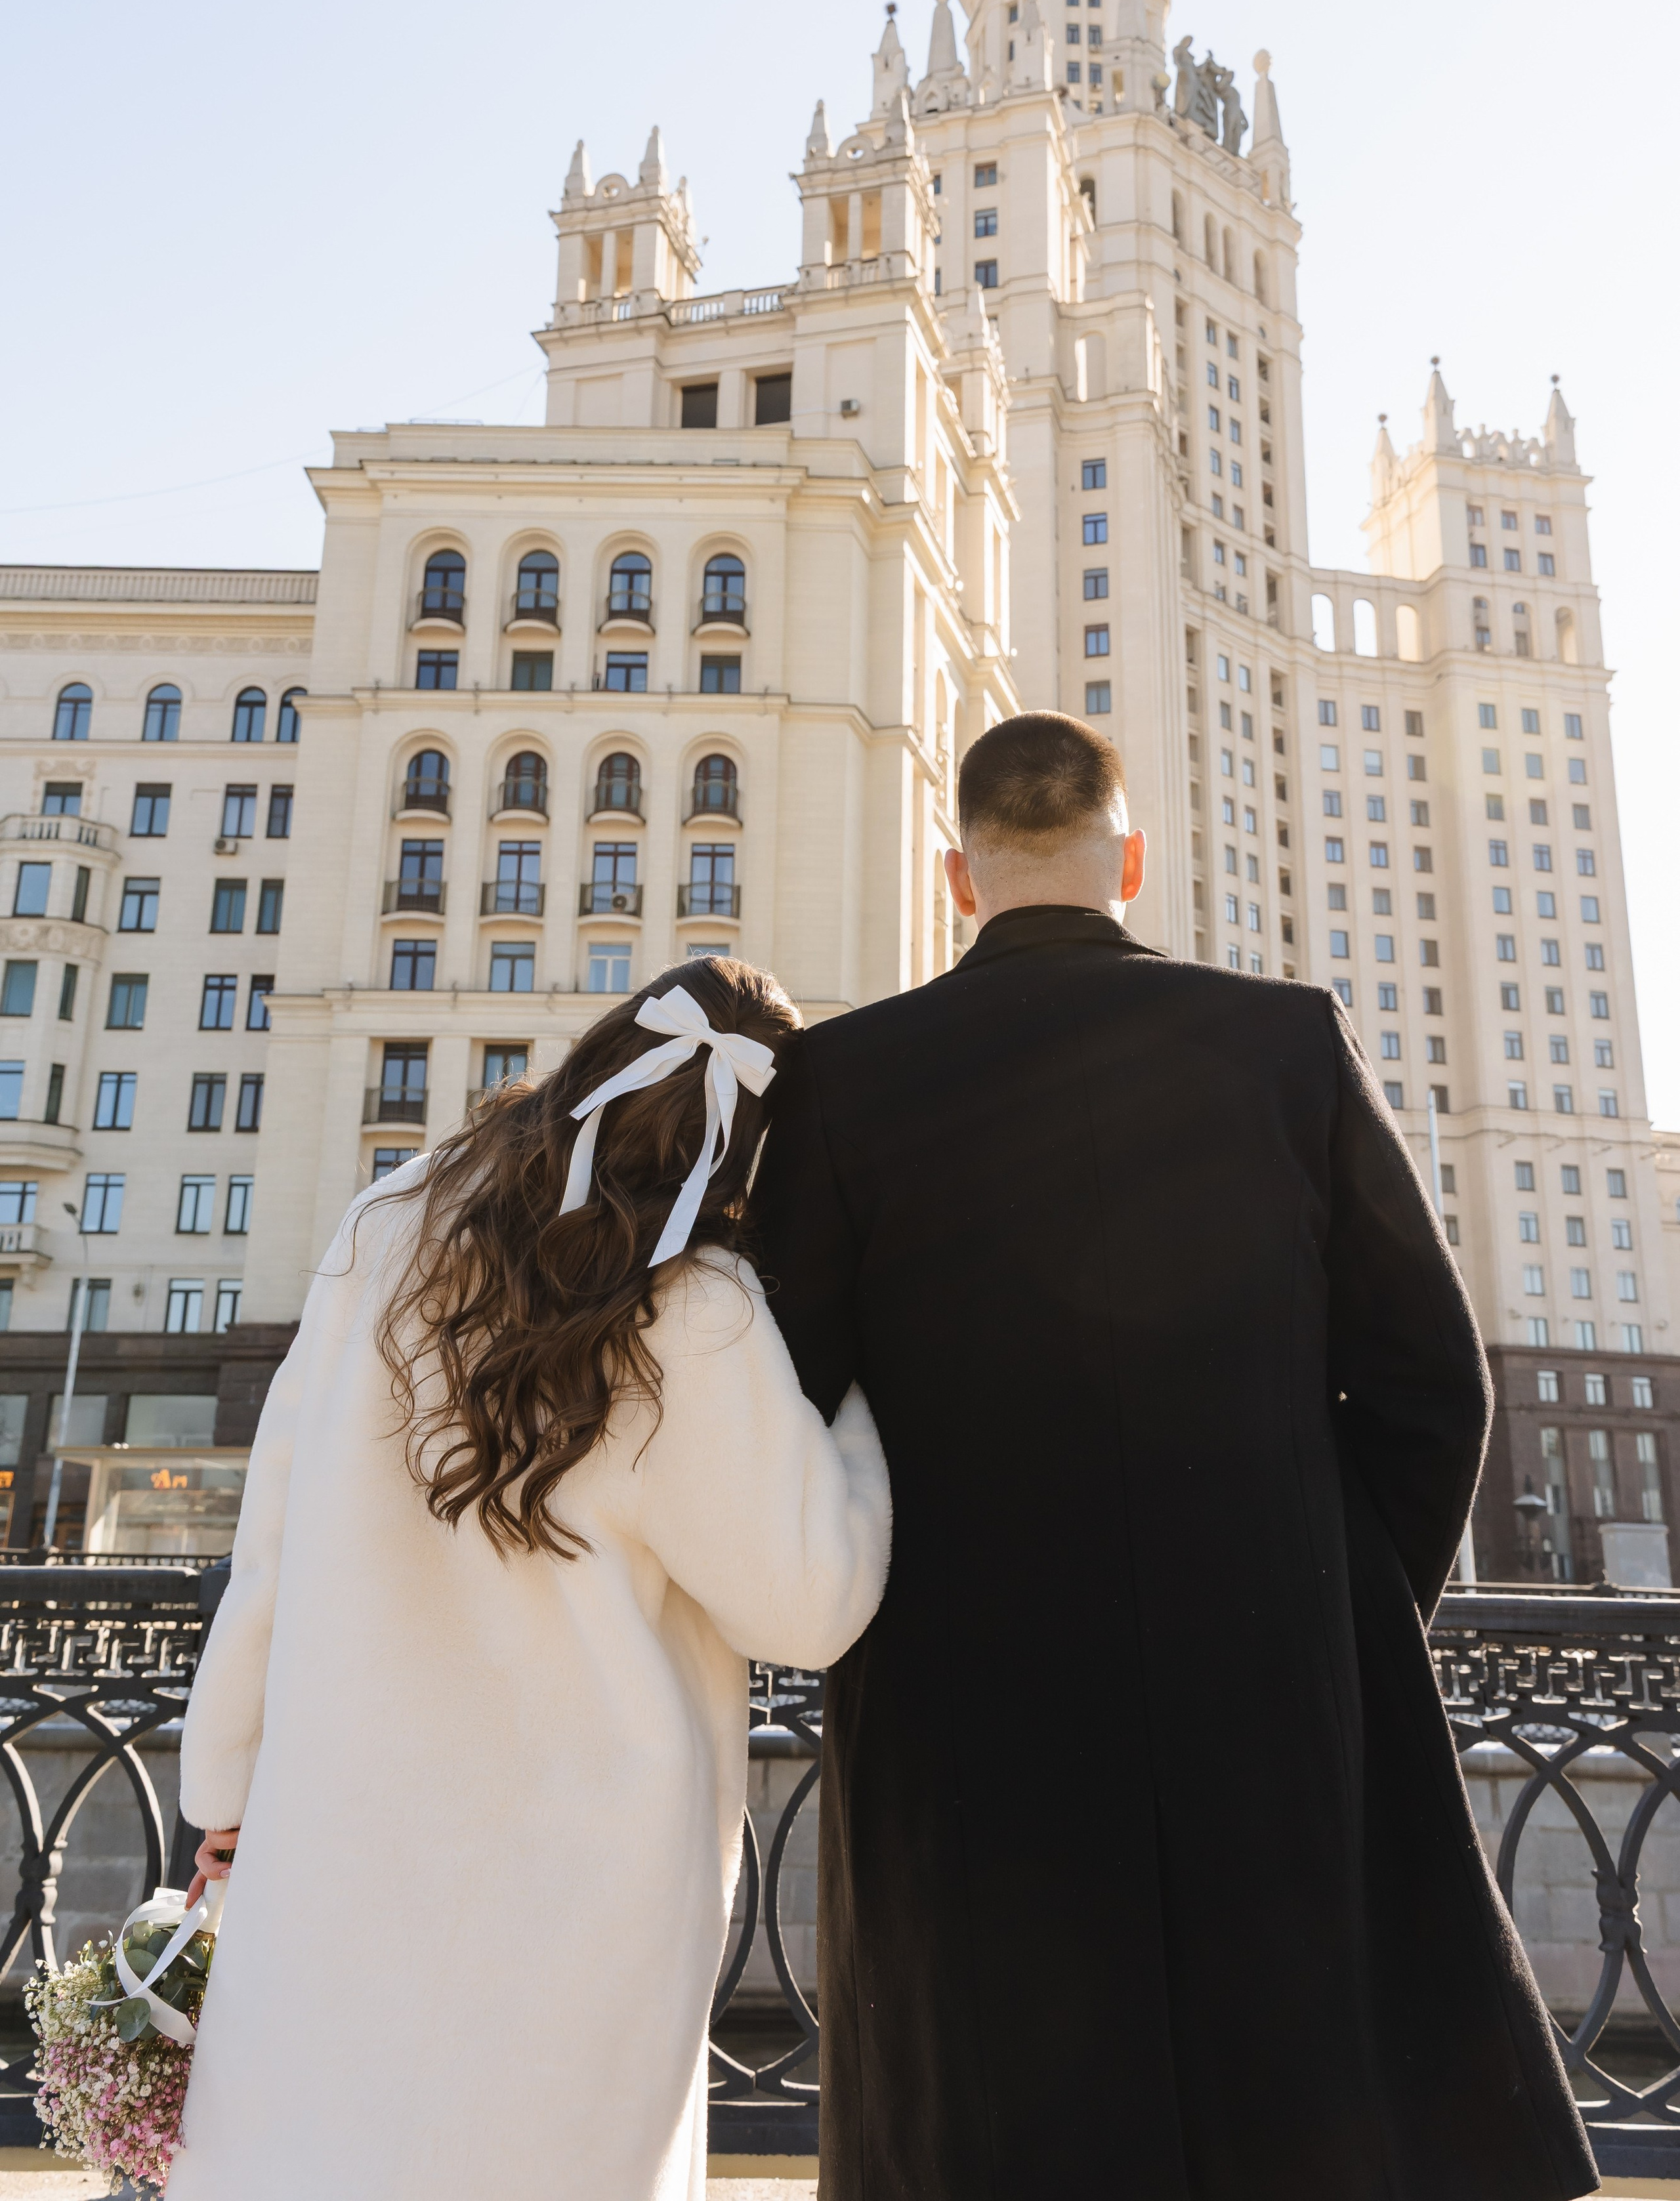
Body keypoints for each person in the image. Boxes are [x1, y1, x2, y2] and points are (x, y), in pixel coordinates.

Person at [751, 711, 1596, 2201]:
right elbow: (1427, 1382)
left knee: (993, 2119)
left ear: (960, 876)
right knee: (1295, 2098)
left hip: (966, 1706)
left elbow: (782, 1408)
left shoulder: (837, 1081)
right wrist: (1336, 1601)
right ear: (1126, 856)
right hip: (1269, 1678)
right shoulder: (1283, 1040)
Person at [170, 958, 890, 2201]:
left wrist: (225, 1784)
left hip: (342, 1828)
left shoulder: (386, 1227)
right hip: (584, 1877)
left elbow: (272, 1536)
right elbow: (808, 1604)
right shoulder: (692, 1305)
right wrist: (862, 1417)